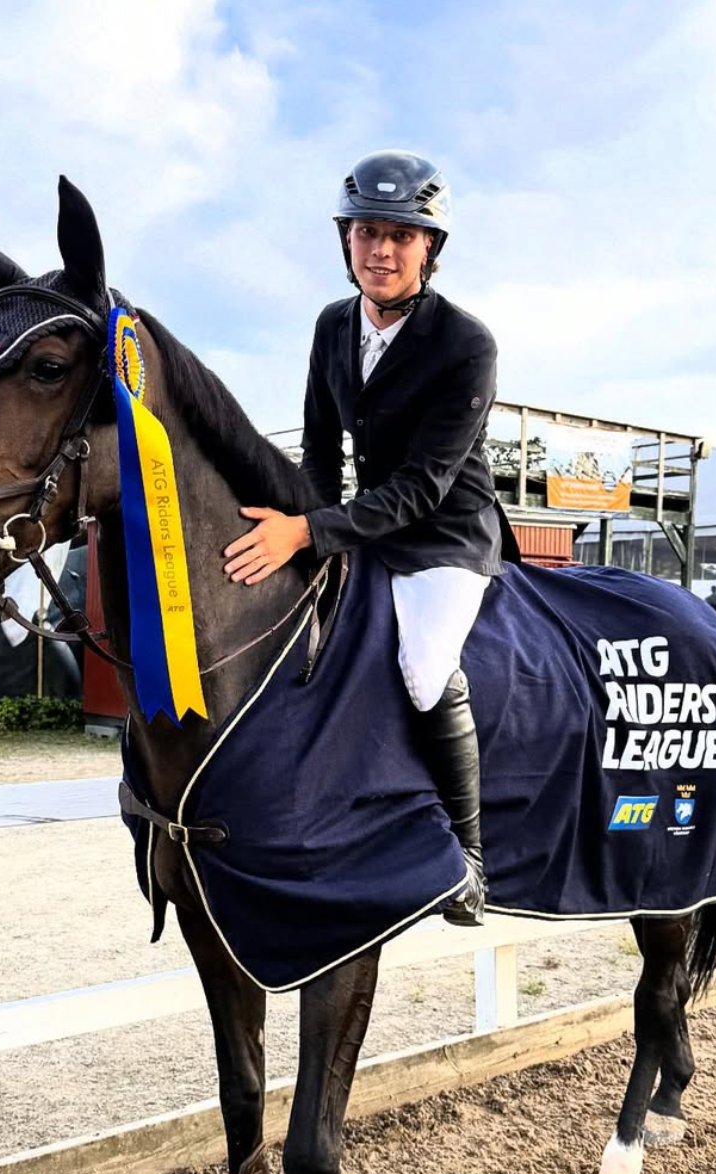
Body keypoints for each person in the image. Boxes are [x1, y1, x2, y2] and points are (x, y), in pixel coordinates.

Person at [221, 149, 519, 926]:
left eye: (400, 235)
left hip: (447, 534)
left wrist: (311, 531)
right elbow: (322, 450)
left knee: (423, 669)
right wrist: (309, 531)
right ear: (345, 241)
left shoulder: (467, 344)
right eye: (366, 233)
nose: (380, 249)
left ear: (430, 249)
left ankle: (468, 857)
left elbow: (424, 486)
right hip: (364, 526)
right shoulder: (332, 325)